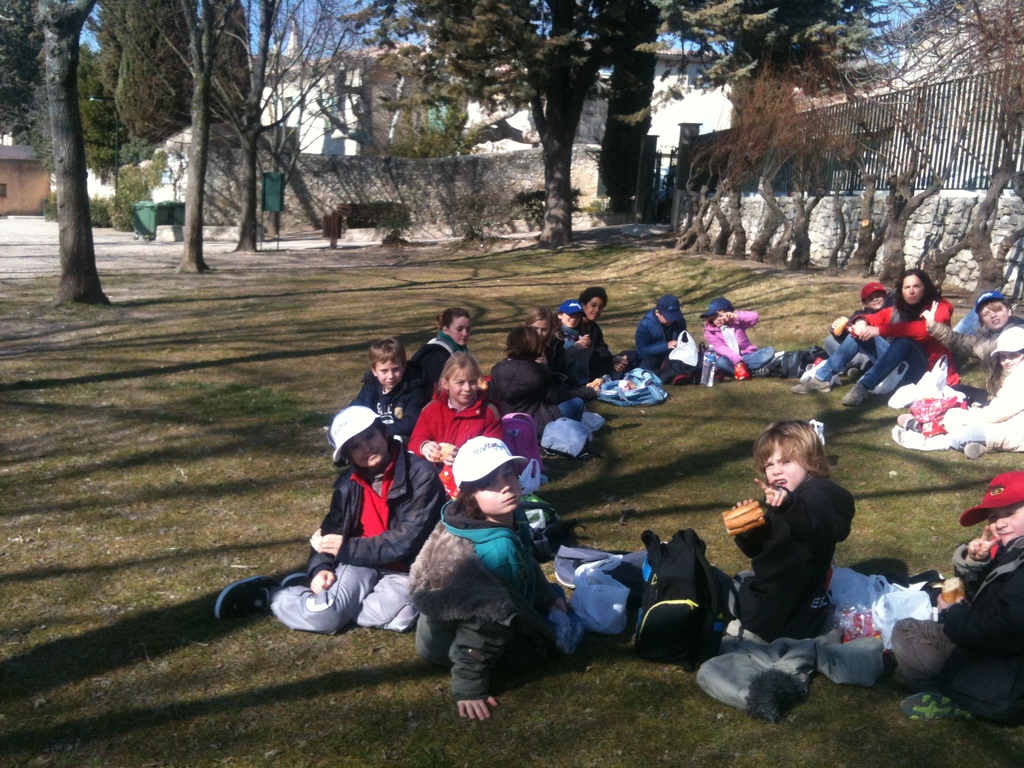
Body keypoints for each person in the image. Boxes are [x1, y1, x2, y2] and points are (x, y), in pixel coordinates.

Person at [214, 406, 444, 635]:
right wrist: (320, 567)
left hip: (405, 569)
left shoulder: (420, 474)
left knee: (403, 618)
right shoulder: (348, 483)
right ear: (347, 456)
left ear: (383, 432)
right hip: (359, 563)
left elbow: (406, 540)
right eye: (355, 446)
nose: (367, 447)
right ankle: (271, 595)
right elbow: (331, 529)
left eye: (370, 435)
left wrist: (347, 549)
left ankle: (327, 600)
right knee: (325, 617)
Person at [409, 436, 567, 720]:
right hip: (450, 646)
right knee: (536, 651)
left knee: (552, 600)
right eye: (489, 483)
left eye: (508, 473)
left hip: (441, 630)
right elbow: (485, 624)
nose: (505, 486)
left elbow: (527, 560)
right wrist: (469, 687)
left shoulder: (503, 516)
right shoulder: (496, 552)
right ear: (469, 494)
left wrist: (546, 598)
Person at [890, 471, 1024, 722]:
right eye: (993, 517)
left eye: (1010, 512)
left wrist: (953, 613)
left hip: (1008, 678)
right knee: (908, 629)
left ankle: (955, 697)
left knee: (908, 634)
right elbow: (987, 602)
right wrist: (975, 564)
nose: (1000, 524)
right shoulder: (1011, 551)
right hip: (997, 652)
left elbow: (1004, 630)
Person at [717, 420, 855, 643]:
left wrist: (790, 503)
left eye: (786, 461)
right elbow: (761, 549)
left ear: (811, 460)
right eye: (769, 465)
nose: (775, 471)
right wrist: (748, 530)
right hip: (793, 610)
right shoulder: (787, 498)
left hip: (777, 614)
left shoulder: (820, 494)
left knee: (710, 585)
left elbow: (823, 525)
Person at [791, 268, 958, 405]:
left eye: (917, 286)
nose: (912, 291)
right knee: (859, 334)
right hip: (898, 363)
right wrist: (861, 322)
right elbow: (875, 317)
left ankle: (863, 387)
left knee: (904, 341)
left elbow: (922, 331)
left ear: (925, 287)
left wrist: (879, 330)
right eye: (907, 287)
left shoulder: (940, 307)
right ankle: (821, 379)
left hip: (924, 369)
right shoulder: (900, 308)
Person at [489, 326, 599, 433]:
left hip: (504, 420)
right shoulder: (535, 373)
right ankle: (564, 435)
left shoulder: (498, 368)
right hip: (532, 422)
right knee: (577, 403)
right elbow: (558, 396)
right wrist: (589, 392)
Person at [923, 289, 1023, 404]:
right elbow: (959, 341)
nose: (993, 315)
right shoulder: (985, 341)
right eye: (986, 314)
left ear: (1009, 311)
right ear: (982, 321)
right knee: (955, 390)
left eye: (997, 310)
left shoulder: (1020, 334)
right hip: (996, 396)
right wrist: (933, 325)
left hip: (1014, 399)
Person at [409, 352, 503, 473]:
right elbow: (415, 440)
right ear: (445, 384)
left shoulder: (488, 413)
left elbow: (495, 452)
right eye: (460, 383)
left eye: (472, 382)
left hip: (472, 475)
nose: (467, 388)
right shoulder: (432, 410)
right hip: (434, 475)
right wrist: (423, 446)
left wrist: (464, 458)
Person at [941, 326, 1024, 460]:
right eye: (1003, 356)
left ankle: (929, 430)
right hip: (1010, 421)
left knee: (961, 432)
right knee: (956, 413)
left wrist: (966, 418)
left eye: (1013, 355)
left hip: (1017, 430)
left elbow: (996, 414)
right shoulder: (1015, 372)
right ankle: (978, 446)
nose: (1007, 361)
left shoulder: (1020, 377)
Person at [349, 337, 427, 440]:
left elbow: (411, 423)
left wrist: (379, 432)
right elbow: (357, 409)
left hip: (402, 441)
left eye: (396, 369)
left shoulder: (414, 389)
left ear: (403, 366)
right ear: (374, 370)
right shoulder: (371, 384)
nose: (391, 376)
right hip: (373, 438)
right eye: (384, 371)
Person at [821, 281, 893, 378]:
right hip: (861, 352)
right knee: (829, 340)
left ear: (885, 297)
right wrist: (838, 332)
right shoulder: (859, 314)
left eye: (878, 296)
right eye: (870, 298)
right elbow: (849, 337)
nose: (875, 299)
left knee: (862, 336)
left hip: (883, 351)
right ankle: (853, 366)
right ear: (864, 303)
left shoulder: (893, 312)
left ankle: (852, 367)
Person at [700, 297, 776, 380]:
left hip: (745, 356)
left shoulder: (736, 323)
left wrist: (736, 316)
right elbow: (721, 348)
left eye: (720, 316)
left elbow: (755, 317)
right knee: (720, 362)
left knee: (769, 350)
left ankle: (744, 371)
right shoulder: (710, 332)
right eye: (714, 316)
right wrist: (738, 361)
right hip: (729, 359)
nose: (717, 319)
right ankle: (752, 372)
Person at [409, 307, 472, 397]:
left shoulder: (457, 351)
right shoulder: (438, 356)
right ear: (445, 330)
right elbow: (432, 391)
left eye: (468, 329)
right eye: (459, 329)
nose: (465, 333)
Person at [578, 286, 628, 379]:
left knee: (630, 356)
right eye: (593, 305)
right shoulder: (574, 325)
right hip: (581, 369)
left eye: (600, 307)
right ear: (583, 304)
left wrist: (613, 360)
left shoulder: (594, 328)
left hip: (598, 364)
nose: (597, 310)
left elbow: (602, 348)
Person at [634, 294, 688, 372]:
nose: (672, 320)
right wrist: (666, 345)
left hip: (676, 355)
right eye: (668, 317)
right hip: (654, 358)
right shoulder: (645, 324)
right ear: (657, 313)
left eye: (674, 316)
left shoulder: (679, 320)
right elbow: (641, 351)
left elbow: (685, 339)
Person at [556, 299, 592, 386]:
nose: (574, 319)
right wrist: (576, 347)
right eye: (571, 314)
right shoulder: (556, 336)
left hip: (581, 382)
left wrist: (588, 347)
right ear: (560, 315)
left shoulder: (579, 334)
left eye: (577, 316)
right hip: (564, 383)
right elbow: (560, 362)